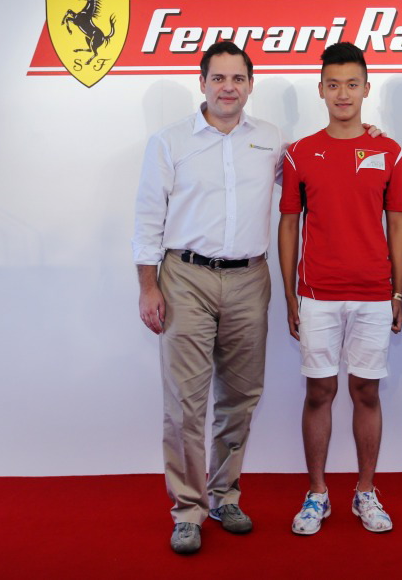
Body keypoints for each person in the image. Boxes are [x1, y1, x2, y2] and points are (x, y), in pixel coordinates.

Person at [132, 41, 287, 555]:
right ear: (202, 83)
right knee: (185, 403)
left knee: (240, 397)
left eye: (238, 78)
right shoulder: (169, 141)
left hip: (249, 279)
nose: (228, 88)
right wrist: (148, 286)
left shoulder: (271, 140)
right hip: (185, 278)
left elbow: (314, 175)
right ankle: (187, 509)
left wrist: (360, 134)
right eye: (218, 78)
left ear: (250, 85)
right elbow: (148, 218)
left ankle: (225, 496)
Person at [278, 42, 402, 535]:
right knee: (320, 391)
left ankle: (365, 492)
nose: (343, 93)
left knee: (366, 391)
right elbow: (288, 224)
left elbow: (399, 224)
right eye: (333, 84)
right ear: (321, 90)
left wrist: (398, 291)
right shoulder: (298, 153)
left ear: (366, 89)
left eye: (352, 84)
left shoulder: (389, 151)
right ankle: (317, 493)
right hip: (317, 294)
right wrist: (290, 294)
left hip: (374, 293)